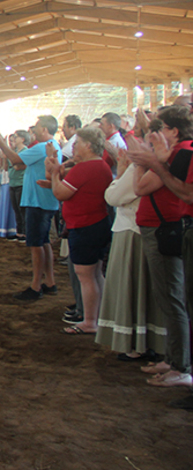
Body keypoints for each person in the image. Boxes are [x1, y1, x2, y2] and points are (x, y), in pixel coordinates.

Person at [129, 106, 193, 389]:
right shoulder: (179, 152)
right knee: (170, 297)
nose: (155, 135)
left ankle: (180, 365)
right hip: (165, 226)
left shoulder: (185, 152)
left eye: (160, 129)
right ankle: (175, 358)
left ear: (173, 131)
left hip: (165, 227)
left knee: (172, 298)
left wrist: (151, 163)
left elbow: (150, 188)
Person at [96, 147, 165, 360]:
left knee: (131, 287)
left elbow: (113, 196)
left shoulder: (143, 167)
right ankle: (148, 342)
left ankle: (135, 345)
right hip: (145, 229)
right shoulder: (163, 164)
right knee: (147, 290)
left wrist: (121, 173)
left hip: (131, 230)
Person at [45, 127, 113, 335]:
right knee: (94, 273)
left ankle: (90, 320)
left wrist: (55, 174)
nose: (73, 147)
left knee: (85, 274)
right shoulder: (100, 166)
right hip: (96, 222)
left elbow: (60, 192)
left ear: (89, 146)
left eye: (77, 143)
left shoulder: (84, 168)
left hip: (85, 225)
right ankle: (97, 316)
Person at [0, 116, 61, 300]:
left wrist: (1, 143)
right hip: (44, 199)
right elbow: (18, 163)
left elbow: (15, 159)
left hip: (37, 199)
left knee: (36, 244)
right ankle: (49, 281)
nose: (33, 130)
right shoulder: (51, 146)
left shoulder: (42, 147)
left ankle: (36, 286)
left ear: (44, 130)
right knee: (43, 242)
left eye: (36, 127)